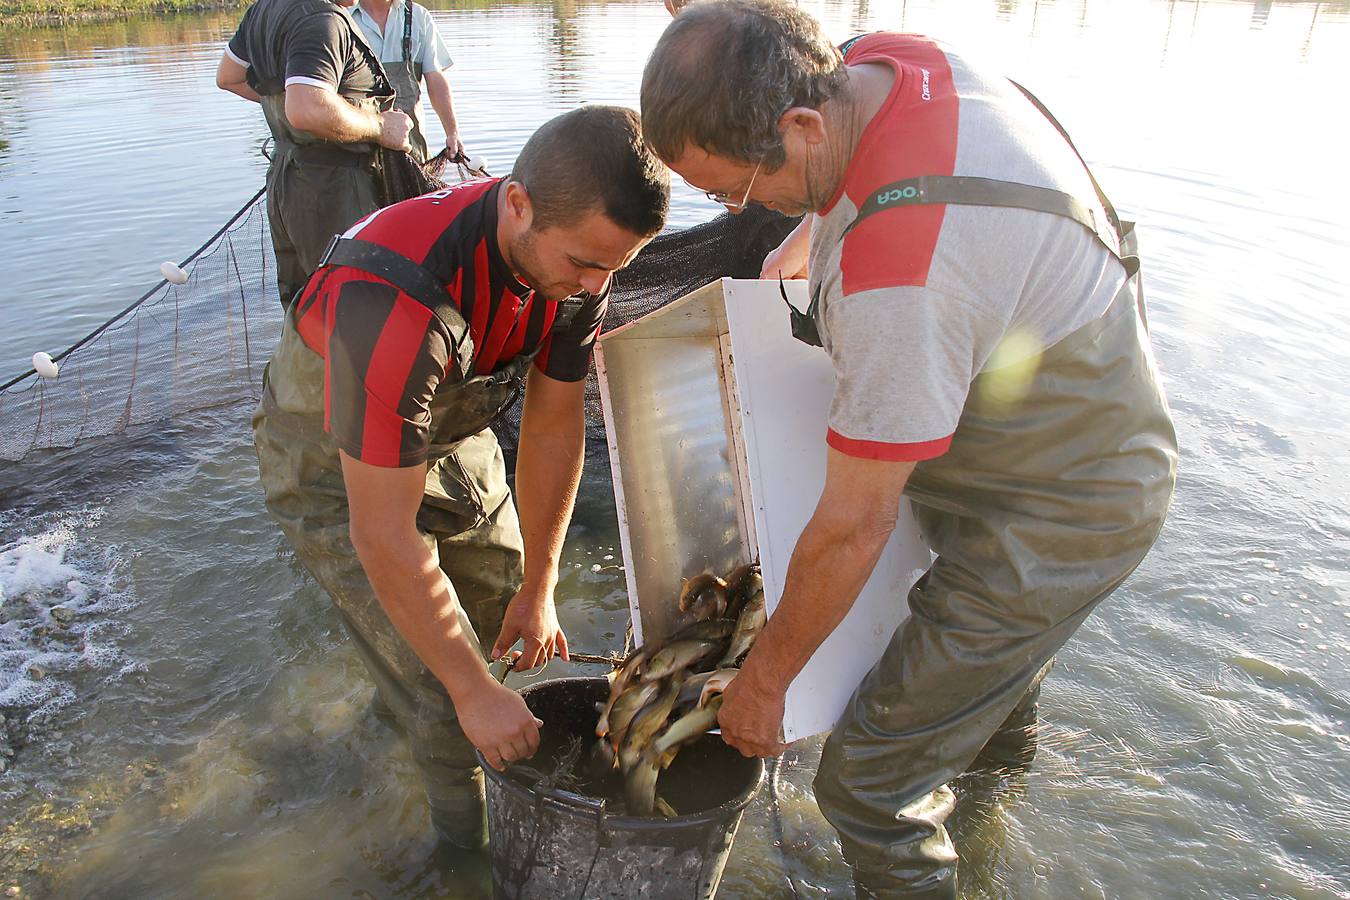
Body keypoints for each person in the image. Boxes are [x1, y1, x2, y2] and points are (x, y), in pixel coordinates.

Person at [641, 2, 1177, 896]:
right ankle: (992, 802)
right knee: (979, 697)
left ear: (803, 124)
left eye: (735, 189)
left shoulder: (898, 277)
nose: (739, 210)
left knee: (868, 785)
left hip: (1066, 505)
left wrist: (766, 684)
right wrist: (810, 224)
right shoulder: (885, 60)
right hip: (1064, 408)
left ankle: (936, 825)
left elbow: (853, 525)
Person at [251, 105, 669, 850]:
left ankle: (434, 711)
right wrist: (470, 690)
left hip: (449, 414)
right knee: (445, 687)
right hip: (332, 453)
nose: (593, 286)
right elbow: (382, 532)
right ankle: (463, 860)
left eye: (614, 268)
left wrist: (541, 589)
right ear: (517, 204)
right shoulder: (400, 298)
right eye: (583, 264)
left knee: (510, 622)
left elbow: (550, 428)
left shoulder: (579, 265)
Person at [215, 0, 414, 309]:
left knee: (306, 312)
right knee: (358, 309)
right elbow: (306, 108)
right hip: (336, 191)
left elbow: (228, 77)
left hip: (287, 186)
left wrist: (292, 109)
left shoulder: (264, 9)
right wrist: (379, 127)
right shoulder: (323, 19)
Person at [352, 0, 464, 164]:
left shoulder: (419, 16)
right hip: (357, 152)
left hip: (411, 148)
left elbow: (435, 77)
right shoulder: (340, 16)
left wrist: (452, 132)